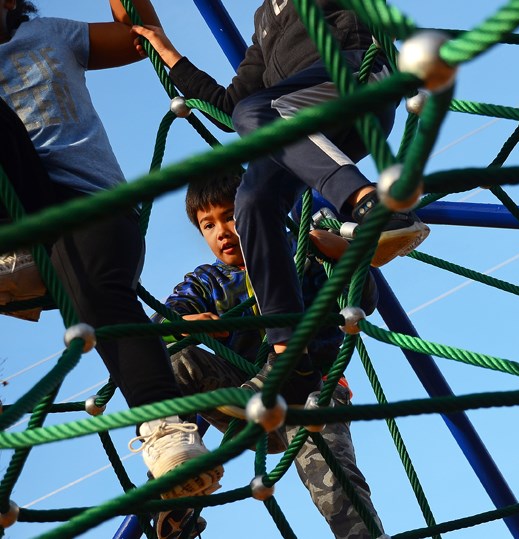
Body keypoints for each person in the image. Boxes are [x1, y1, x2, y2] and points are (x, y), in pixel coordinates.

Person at [131, 1, 429, 402]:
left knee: (258, 111)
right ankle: (289, 359)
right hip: (301, 126)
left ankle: (375, 205)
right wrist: (169, 54)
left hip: (355, 79)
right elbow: (229, 107)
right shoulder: (263, 21)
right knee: (252, 201)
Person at [0, 2, 223, 536]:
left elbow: (140, 35)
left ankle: (167, 433)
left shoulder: (50, 32)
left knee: (102, 294)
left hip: (83, 207)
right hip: (13, 220)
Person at [152, 174, 385, 538]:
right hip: (242, 397)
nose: (222, 231)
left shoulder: (299, 258)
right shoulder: (207, 281)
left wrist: (341, 254)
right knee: (172, 362)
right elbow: (159, 324)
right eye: (208, 224)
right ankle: (175, 487)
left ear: (254, 212)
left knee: (331, 473)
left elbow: (364, 298)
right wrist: (182, 323)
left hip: (312, 391)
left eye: (230, 216)